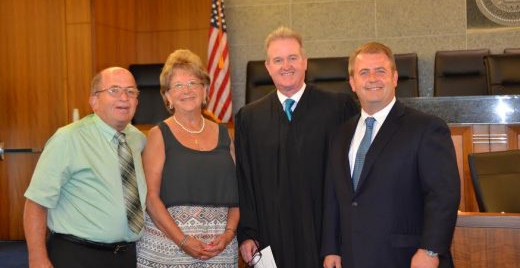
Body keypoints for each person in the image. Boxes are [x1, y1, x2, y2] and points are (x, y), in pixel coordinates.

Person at [322, 42, 460, 268]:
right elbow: (334, 196)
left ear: (395, 78)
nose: (372, 78)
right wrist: (331, 249)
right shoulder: (340, 134)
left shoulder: (426, 128)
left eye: (380, 71)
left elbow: (443, 195)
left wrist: (430, 250)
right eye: (364, 72)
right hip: (352, 258)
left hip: (407, 259)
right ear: (352, 83)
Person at [235, 26, 358, 267]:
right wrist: (248, 233)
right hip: (270, 238)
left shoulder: (338, 108)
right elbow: (245, 180)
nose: (286, 65)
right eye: (278, 60)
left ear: (305, 62)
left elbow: (350, 177)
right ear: (268, 67)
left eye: (292, 58)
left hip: (324, 237)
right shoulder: (249, 118)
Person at [24, 67, 147, 268]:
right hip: (77, 256)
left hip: (125, 256)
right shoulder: (68, 139)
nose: (124, 97)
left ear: (137, 101)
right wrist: (37, 258)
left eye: (131, 91)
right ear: (94, 101)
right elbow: (36, 203)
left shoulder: (137, 139)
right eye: (114, 90)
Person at [136, 49, 239, 267]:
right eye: (178, 85)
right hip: (168, 250)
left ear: (205, 90)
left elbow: (239, 194)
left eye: (193, 83)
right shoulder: (158, 135)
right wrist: (182, 241)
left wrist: (229, 234)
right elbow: (151, 199)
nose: (187, 90)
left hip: (218, 251)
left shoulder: (225, 135)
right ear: (168, 96)